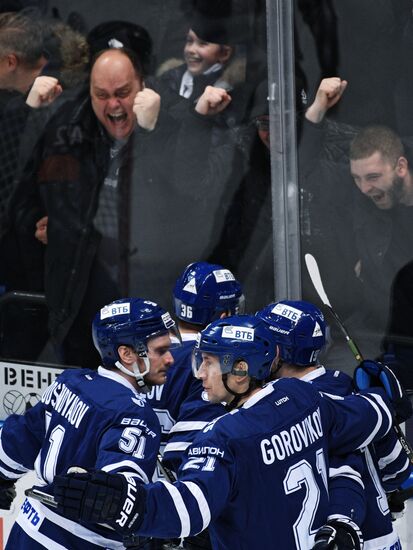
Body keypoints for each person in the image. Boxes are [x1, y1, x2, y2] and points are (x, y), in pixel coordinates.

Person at [52, 314, 404, 549]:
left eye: (207, 362)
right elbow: (366, 417)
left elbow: (189, 509)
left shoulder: (224, 440)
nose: (199, 373)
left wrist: (127, 505)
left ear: (240, 371)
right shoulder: (302, 398)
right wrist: (389, 398)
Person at [12, 46, 170, 367]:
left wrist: (154, 134)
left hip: (148, 305)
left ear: (143, 87)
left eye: (123, 93)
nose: (113, 104)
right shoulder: (67, 128)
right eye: (102, 94)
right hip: (77, 307)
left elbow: (185, 201)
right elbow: (17, 193)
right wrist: (40, 222)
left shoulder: (172, 127)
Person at [0, 297, 179, 548]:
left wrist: (3, 476)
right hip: (79, 542)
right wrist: (152, 528)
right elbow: (116, 497)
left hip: (26, 531)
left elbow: (22, 437)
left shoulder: (70, 381)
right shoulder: (134, 414)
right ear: (126, 354)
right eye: (160, 350)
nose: (170, 359)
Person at [257, 299, 411, 549]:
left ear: (279, 351)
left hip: (342, 540)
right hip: (385, 538)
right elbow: (397, 469)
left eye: (262, 342)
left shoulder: (295, 408)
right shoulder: (355, 391)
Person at [146, 260, 244, 474]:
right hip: (176, 485)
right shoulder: (211, 364)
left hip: (141, 475)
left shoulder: (146, 353)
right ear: (224, 316)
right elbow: (192, 453)